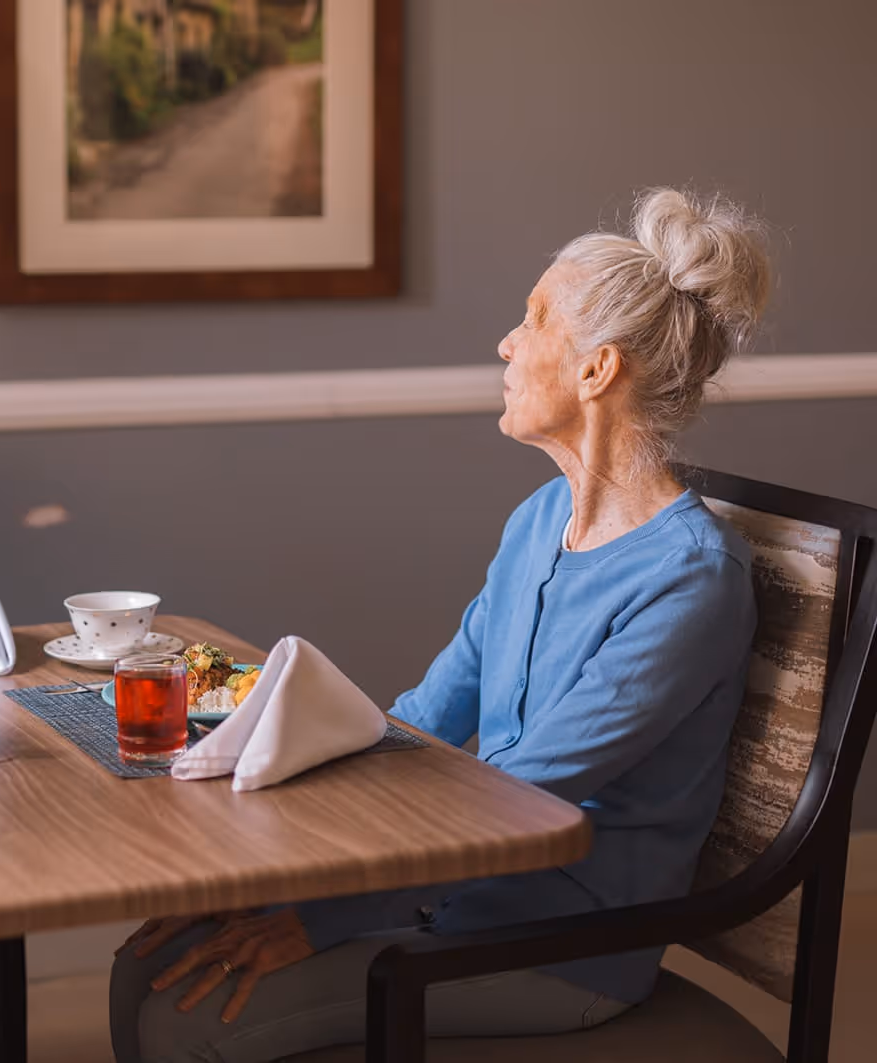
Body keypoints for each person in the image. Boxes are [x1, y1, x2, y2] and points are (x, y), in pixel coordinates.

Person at [110, 187, 772, 1061]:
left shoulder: (692, 578)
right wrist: (280, 863)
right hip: (457, 893)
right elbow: (423, 717)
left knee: (178, 1013)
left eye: (532, 319)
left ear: (596, 370)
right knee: (147, 960)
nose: (505, 341)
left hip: (563, 943)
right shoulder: (540, 518)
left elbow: (523, 796)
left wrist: (327, 911)